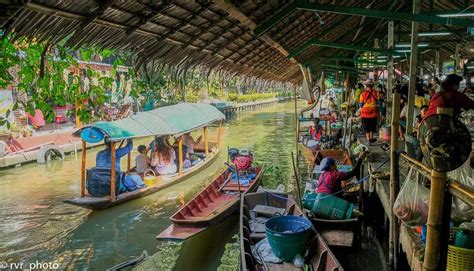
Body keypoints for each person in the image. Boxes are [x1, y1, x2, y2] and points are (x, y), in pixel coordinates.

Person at [359, 80, 380, 144]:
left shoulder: (362, 94)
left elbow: (361, 104)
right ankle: (371, 138)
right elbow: (379, 102)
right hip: (373, 112)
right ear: (372, 86)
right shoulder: (376, 93)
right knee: (372, 126)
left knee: (366, 127)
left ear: (366, 86)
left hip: (365, 113)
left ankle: (368, 140)